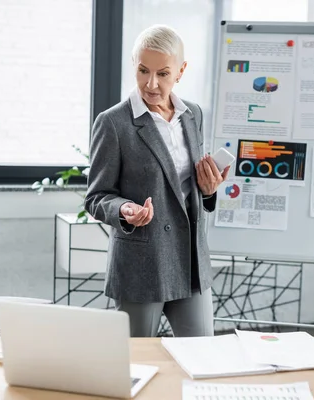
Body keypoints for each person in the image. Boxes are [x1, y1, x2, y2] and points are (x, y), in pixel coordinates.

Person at [84, 24, 229, 337]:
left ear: (181, 71)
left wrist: (208, 191)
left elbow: (187, 191)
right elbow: (96, 197)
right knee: (137, 362)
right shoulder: (113, 123)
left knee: (202, 356)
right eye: (142, 71)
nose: (151, 84)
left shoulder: (194, 115)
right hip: (142, 262)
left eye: (163, 73)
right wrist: (125, 210)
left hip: (190, 259)